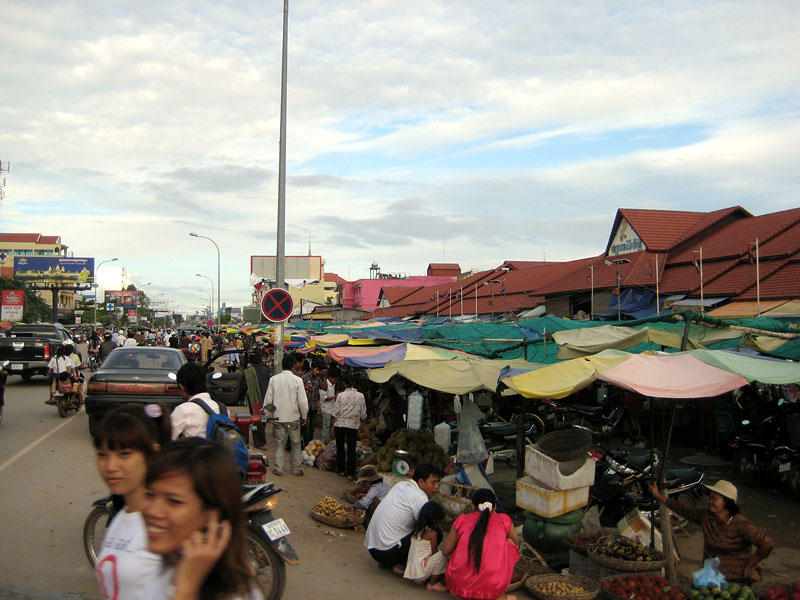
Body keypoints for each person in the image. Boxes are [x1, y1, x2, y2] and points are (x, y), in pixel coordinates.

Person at [141, 438, 263, 600]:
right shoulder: (165, 564)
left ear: (212, 515)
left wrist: (185, 591)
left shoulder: (235, 595)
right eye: (149, 495)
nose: (153, 511)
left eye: (174, 501)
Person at [93, 403, 171, 600]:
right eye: (102, 455)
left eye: (124, 454)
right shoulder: (121, 518)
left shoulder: (167, 524)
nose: (110, 466)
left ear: (152, 453)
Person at [649, 480, 774, 582]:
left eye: (714, 499)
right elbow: (684, 510)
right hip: (711, 576)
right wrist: (659, 496)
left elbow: (767, 544)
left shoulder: (741, 524)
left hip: (736, 577)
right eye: (710, 498)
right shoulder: (707, 517)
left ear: (726, 502)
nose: (710, 502)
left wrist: (750, 566)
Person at [442, 488, 519, 600]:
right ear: (495, 507)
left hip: (460, 584)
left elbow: (446, 550)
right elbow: (515, 543)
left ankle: (464, 593)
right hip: (492, 585)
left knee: (458, 546)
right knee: (510, 543)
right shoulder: (504, 520)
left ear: (473, 506)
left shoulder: (462, 519)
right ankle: (500, 596)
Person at [365, 462, 441, 572]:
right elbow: (427, 529)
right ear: (420, 482)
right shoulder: (420, 497)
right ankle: (405, 564)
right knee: (435, 533)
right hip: (387, 553)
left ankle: (394, 561)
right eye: (433, 483)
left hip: (372, 549)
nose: (436, 487)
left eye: (438, 483)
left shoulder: (401, 485)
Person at [264, 354, 308, 477]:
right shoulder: (298, 380)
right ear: (294, 366)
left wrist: (267, 415)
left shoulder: (274, 379)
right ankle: (296, 469)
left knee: (280, 443)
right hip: (293, 417)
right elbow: (303, 401)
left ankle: (278, 468)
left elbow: (268, 399)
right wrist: (304, 415)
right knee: (296, 443)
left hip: (279, 417)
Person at [404, 502, 449, 592]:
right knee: (442, 555)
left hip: (411, 571)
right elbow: (434, 553)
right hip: (421, 571)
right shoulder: (432, 533)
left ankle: (422, 579)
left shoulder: (417, 530)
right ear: (434, 520)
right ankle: (432, 584)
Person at [170, 362, 221, 439]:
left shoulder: (183, 410)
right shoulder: (222, 409)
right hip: (220, 450)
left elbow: (167, 440)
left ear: (181, 386)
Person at [332, 374, 366, 480]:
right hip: (353, 426)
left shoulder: (341, 395)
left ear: (345, 384)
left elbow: (336, 412)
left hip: (340, 424)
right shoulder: (361, 396)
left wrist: (334, 422)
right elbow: (363, 413)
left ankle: (341, 470)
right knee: (351, 449)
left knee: (340, 447)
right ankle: (350, 473)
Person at [243, 353, 271, 450]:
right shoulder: (266, 370)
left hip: (254, 400)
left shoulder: (247, 372)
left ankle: (260, 442)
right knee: (262, 421)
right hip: (265, 398)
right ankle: (259, 441)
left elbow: (244, 387)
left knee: (254, 420)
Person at [301, 360, 326, 445]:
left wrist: (325, 377)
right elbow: (298, 391)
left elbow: (324, 388)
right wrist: (305, 387)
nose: (317, 372)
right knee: (306, 427)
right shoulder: (304, 377)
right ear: (312, 368)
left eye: (319, 370)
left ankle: (309, 444)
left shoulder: (318, 379)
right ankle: (305, 444)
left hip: (314, 407)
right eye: (317, 370)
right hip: (306, 407)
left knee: (312, 427)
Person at [320, 365, 340, 441]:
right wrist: (335, 396)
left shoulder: (334, 385)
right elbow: (324, 398)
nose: (335, 381)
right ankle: (323, 443)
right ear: (331, 377)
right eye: (335, 380)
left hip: (332, 409)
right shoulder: (325, 384)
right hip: (326, 410)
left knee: (331, 428)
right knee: (326, 428)